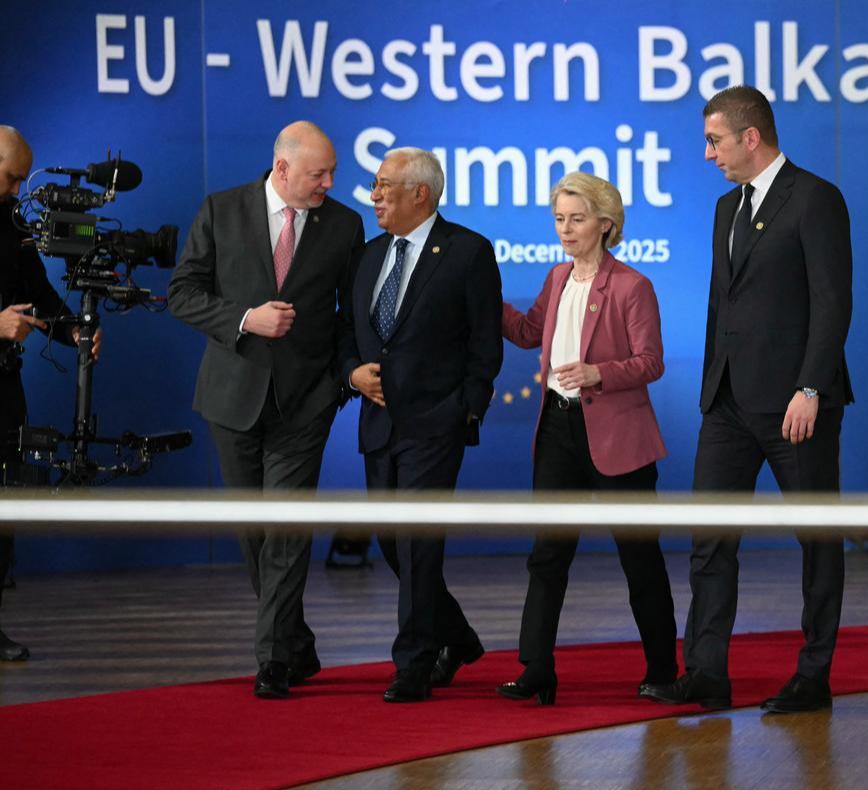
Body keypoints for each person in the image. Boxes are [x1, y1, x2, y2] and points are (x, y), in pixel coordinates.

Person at [641, 86, 853, 715]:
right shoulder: (724, 208)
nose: (708, 154)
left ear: (750, 137)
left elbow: (833, 305)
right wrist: (712, 387)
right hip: (728, 404)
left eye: (715, 141)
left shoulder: (816, 199)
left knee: (817, 540)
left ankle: (813, 676)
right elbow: (721, 306)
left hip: (796, 404)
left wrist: (810, 388)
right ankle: (705, 672)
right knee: (710, 540)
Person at [168, 121, 365, 698]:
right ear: (282, 169)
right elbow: (182, 293)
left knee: (286, 526)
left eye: (332, 173)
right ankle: (296, 642)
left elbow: (349, 315)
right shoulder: (221, 210)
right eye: (318, 174)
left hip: (306, 403)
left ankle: (273, 661)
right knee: (256, 530)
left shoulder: (345, 225)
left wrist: (341, 380)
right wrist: (244, 319)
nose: (328, 183)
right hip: (232, 398)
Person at [497, 171, 677, 705]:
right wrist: (483, 295)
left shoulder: (631, 285)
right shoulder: (556, 279)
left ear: (606, 223)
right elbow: (530, 334)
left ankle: (664, 669)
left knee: (638, 557)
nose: (566, 229)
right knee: (547, 554)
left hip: (618, 435)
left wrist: (600, 373)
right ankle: (536, 670)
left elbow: (651, 362)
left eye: (576, 219)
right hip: (558, 428)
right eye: (559, 219)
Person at [339, 147, 502, 702]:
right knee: (392, 544)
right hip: (378, 422)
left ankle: (413, 663)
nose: (375, 195)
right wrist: (351, 373)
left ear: (420, 194)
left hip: (436, 425)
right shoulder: (366, 255)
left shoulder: (467, 252)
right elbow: (348, 335)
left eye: (385, 185)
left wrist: (466, 408)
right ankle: (457, 637)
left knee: (417, 544)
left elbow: (485, 344)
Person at [0, 126, 100, 662]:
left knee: (6, 504)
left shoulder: (11, 221)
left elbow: (39, 296)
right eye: (12, 176)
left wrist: (73, 330)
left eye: (22, 179)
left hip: (3, 387)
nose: (18, 189)